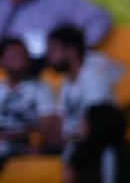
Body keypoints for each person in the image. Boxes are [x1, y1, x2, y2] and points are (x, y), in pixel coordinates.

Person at [40, 24, 122, 152]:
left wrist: (64, 142)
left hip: (90, 148)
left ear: (71, 50)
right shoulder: (66, 80)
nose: (49, 55)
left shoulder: (92, 76)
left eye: (53, 49)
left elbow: (97, 122)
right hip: (69, 145)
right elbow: (60, 119)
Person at [64, 103, 130, 183]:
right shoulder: (76, 148)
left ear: (96, 124)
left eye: (85, 121)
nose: (80, 124)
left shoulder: (113, 153)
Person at [0, 36, 48, 162]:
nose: (20, 60)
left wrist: (13, 136)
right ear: (2, 60)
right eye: (14, 56)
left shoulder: (40, 88)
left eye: (23, 56)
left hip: (24, 145)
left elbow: (46, 126)